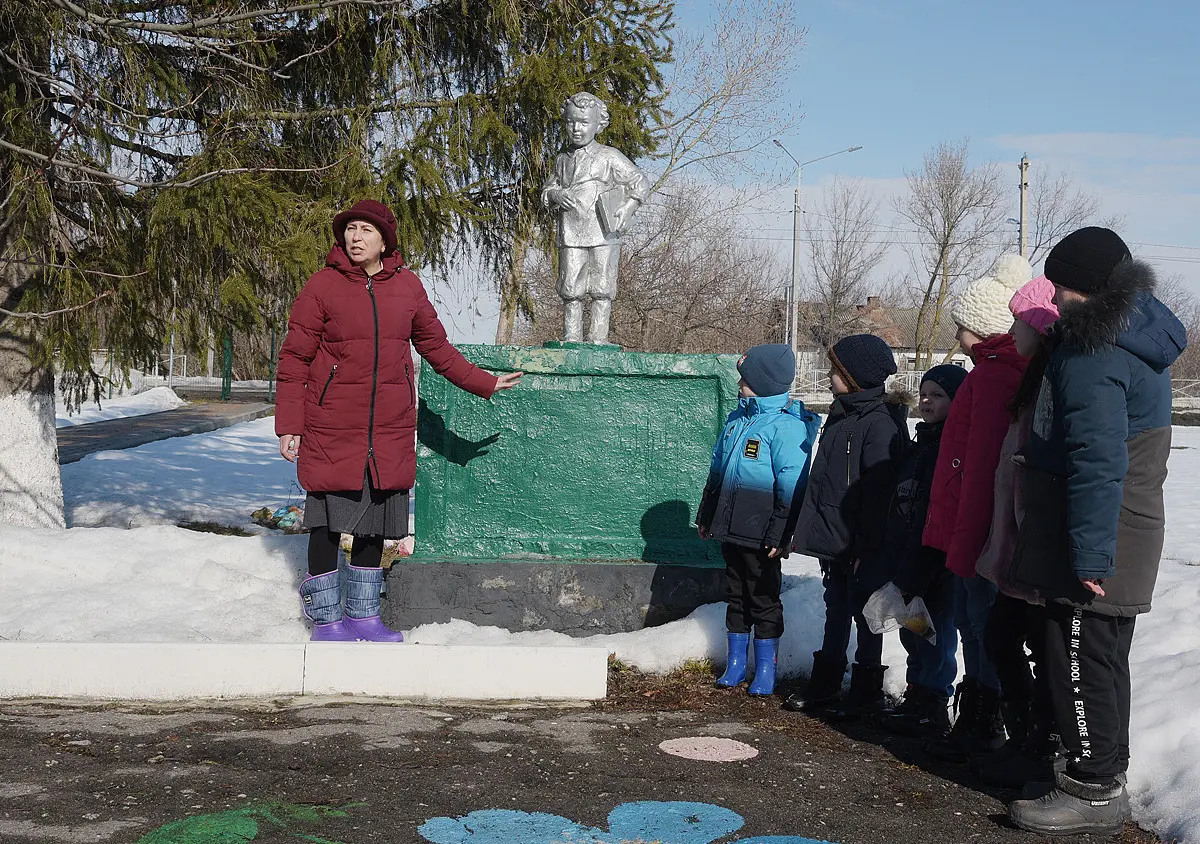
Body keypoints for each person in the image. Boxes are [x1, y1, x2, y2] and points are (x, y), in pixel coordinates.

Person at [276, 199, 522, 642]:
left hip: (388, 428)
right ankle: (328, 622)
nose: (355, 238)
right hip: (332, 425)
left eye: (366, 231)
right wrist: (289, 424)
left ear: (384, 239)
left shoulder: (407, 287)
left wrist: (483, 382)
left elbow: (437, 347)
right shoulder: (322, 287)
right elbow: (294, 359)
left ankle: (364, 619)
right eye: (350, 229)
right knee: (328, 524)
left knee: (375, 524)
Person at [1008, 228, 1186, 836]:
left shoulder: (1096, 354)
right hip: (1115, 529)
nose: (1052, 301)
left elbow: (1096, 459)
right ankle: (1093, 773)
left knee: (1080, 660)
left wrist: (1090, 554)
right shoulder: (1130, 336)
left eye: (1058, 287)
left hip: (1100, 536)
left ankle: (1095, 789)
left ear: (1081, 287)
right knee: (1097, 660)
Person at [923, 254, 1030, 759]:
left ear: (984, 329)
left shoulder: (990, 377)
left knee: (979, 621)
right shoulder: (998, 371)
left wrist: (964, 535)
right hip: (984, 520)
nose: (959, 336)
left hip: (980, 525)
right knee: (977, 620)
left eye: (963, 326)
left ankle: (983, 718)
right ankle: (982, 713)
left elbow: (981, 462)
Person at [782, 334, 910, 715]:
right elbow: (826, 481)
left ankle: (867, 685)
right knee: (836, 607)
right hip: (835, 539)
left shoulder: (881, 424)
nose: (829, 375)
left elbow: (878, 495)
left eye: (836, 370)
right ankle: (827, 681)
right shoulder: (841, 415)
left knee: (867, 614)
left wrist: (867, 549)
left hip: (862, 544)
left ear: (855, 377)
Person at [970, 274, 1060, 789]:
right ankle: (1025, 735)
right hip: (1014, 539)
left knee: (1039, 647)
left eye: (1018, 320)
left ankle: (1041, 747)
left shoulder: (1053, 378)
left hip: (1036, 541)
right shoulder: (1033, 377)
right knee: (1004, 637)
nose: (1011, 329)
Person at [696, 344, 821, 697]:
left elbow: (792, 484)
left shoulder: (786, 427)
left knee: (763, 596)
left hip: (763, 531)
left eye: (746, 379)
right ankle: (737, 661)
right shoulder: (737, 419)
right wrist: (707, 514)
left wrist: (780, 533)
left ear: (764, 383)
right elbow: (717, 469)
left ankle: (766, 666)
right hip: (730, 525)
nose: (739, 383)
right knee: (736, 594)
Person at [878, 364, 968, 737]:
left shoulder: (953, 447)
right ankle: (917, 694)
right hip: (907, 555)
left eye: (938, 395)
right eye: (925, 394)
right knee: (912, 630)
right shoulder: (917, 446)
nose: (928, 402)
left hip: (938, 562)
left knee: (937, 636)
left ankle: (933, 700)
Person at [541, 92, 651, 344]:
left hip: (603, 231)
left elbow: (640, 181)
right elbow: (546, 192)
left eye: (584, 123)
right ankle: (571, 336)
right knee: (571, 287)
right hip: (570, 232)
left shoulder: (609, 156)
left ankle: (598, 338)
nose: (576, 129)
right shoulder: (561, 160)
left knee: (602, 286)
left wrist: (629, 206)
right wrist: (556, 194)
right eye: (571, 122)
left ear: (598, 125)